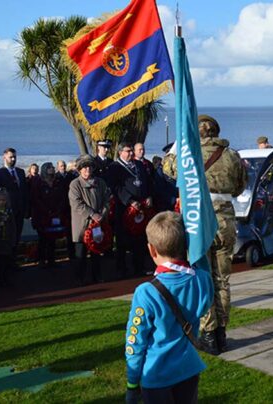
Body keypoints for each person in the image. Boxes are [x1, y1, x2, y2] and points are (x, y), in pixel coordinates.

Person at [162, 114, 247, 355]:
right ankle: (222, 333)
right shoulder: (232, 156)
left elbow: (168, 168)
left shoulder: (190, 155)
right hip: (226, 220)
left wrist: (179, 143)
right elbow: (240, 187)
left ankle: (209, 334)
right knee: (222, 280)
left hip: (201, 220)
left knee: (203, 278)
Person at [124, 211, 212, 404]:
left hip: (157, 376)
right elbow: (203, 269)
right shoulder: (202, 280)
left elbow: (135, 342)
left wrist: (132, 382)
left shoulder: (146, 293)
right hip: (188, 369)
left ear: (151, 250)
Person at [107, 143, 155, 278]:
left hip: (141, 208)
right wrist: (129, 201)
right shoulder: (114, 167)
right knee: (122, 240)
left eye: (131, 151)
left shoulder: (138, 165)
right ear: (120, 152)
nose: (131, 154)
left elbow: (147, 182)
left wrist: (148, 196)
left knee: (140, 239)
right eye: (128, 151)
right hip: (124, 209)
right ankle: (121, 270)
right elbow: (115, 187)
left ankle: (139, 267)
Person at [69, 154, 111, 284]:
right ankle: (79, 278)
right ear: (80, 169)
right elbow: (76, 204)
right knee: (80, 255)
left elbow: (107, 200)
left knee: (96, 252)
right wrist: (92, 214)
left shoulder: (101, 183)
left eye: (89, 167)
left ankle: (97, 276)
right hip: (82, 224)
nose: (87, 170)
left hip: (98, 224)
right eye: (84, 167)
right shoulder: (75, 184)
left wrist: (102, 214)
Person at [30, 162, 70, 268]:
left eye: (52, 167)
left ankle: (51, 259)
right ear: (44, 169)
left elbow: (63, 197)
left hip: (56, 213)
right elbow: (36, 198)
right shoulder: (39, 182)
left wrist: (58, 210)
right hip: (42, 215)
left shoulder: (58, 181)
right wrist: (46, 210)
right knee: (43, 238)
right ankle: (42, 259)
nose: (52, 169)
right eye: (49, 167)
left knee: (53, 238)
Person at [0, 148, 29, 246]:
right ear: (4, 158)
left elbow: (24, 191)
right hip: (6, 212)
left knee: (17, 237)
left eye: (14, 157)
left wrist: (26, 209)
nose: (13, 159)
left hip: (20, 211)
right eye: (10, 157)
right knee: (7, 238)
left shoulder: (20, 172)